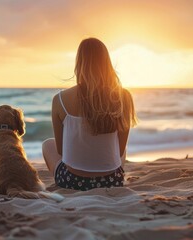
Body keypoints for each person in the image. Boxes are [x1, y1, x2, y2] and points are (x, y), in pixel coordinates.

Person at [42, 37, 137, 191]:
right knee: (122, 149)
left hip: (71, 181)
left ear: (79, 63)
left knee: (48, 144)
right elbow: (119, 150)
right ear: (107, 63)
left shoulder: (59, 99)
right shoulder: (123, 97)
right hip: (112, 181)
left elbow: (61, 151)